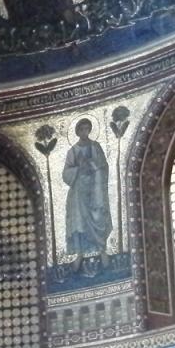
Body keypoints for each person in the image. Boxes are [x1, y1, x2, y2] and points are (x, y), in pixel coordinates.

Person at [63, 117, 112, 274]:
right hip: (78, 191)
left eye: (87, 129)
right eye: (82, 129)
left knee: (99, 217)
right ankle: (79, 254)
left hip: (95, 189)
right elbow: (66, 173)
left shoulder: (95, 146)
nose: (85, 132)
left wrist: (92, 165)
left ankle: (102, 250)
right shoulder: (73, 151)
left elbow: (103, 166)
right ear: (77, 132)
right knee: (78, 221)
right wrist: (78, 169)